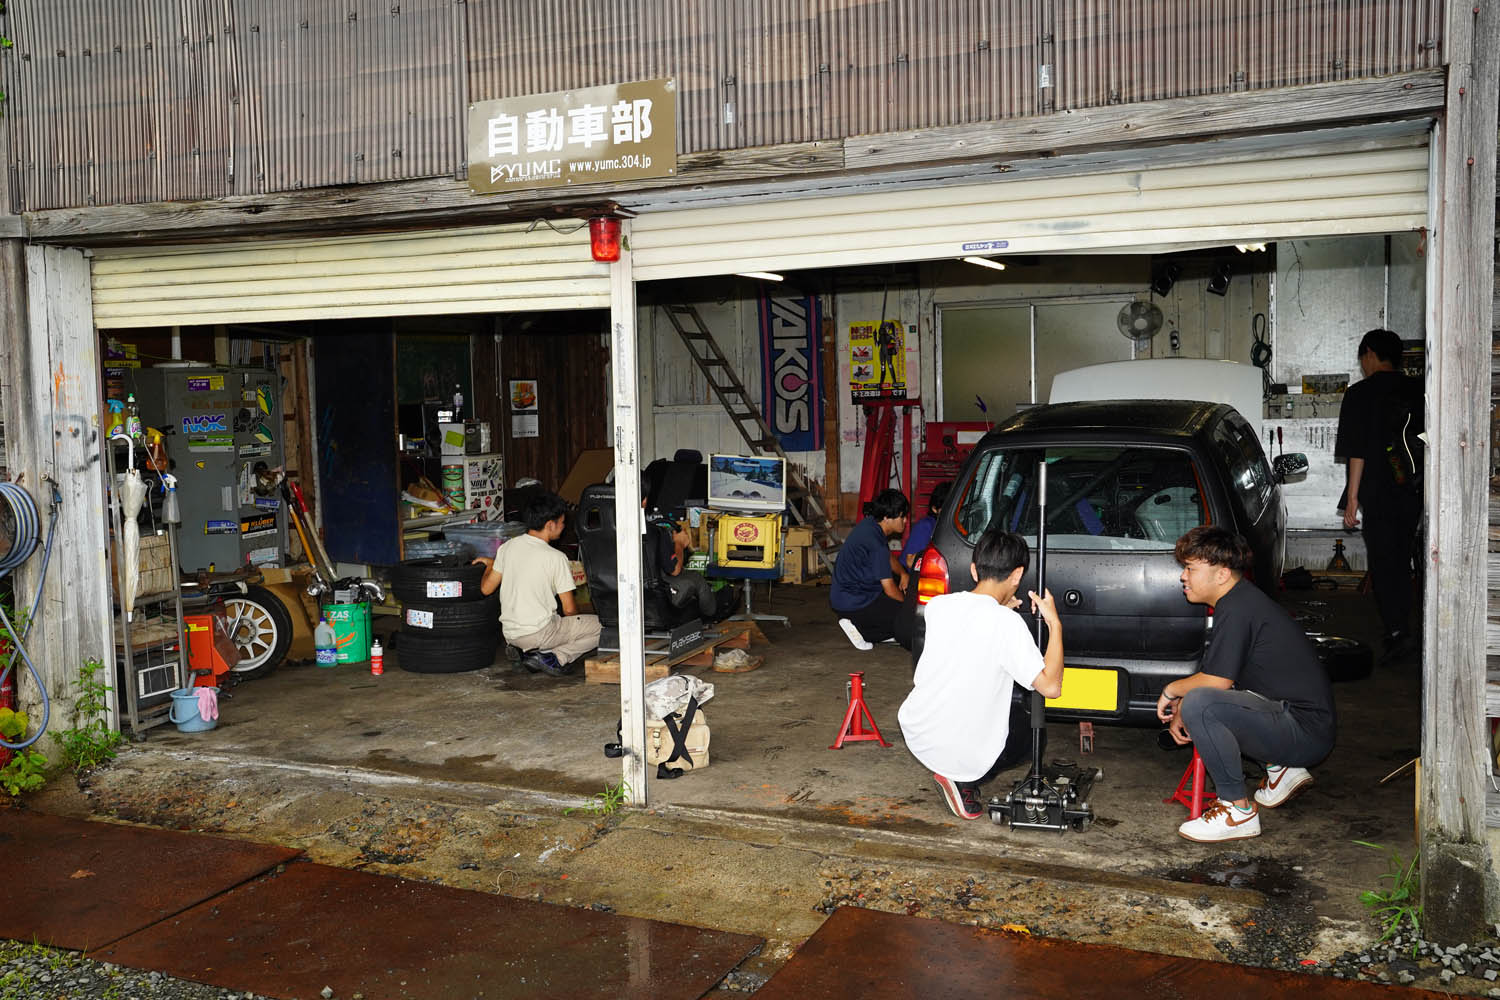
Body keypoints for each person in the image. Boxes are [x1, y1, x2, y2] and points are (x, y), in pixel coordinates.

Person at [1161, 526, 1336, 843]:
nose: (1183, 577)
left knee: (1201, 702)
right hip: (1300, 725)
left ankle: (1236, 810)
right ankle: (1280, 768)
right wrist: (1185, 705)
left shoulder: (1238, 608)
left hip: (1304, 731)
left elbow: (1215, 683)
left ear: (1222, 574)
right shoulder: (1241, 601)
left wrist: (1172, 692)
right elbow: (1222, 680)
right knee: (1201, 699)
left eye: (1190, 568)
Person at [898, 528, 1063, 819]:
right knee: (1032, 735)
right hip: (957, 750)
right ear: (1017, 575)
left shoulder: (938, 606)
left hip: (919, 730)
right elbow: (1051, 687)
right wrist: (1055, 624)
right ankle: (964, 779)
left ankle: (954, 767)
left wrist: (1001, 609)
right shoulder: (1007, 625)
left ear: (975, 570)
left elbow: (975, 624)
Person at [1334, 328, 1424, 658]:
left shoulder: (1360, 394)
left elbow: (1356, 451)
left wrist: (1353, 499)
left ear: (1370, 354)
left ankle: (1398, 632)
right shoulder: (1420, 388)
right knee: (1411, 560)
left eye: (1363, 358)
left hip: (1379, 492)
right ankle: (1417, 628)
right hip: (1417, 490)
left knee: (1386, 564)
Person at [473, 492, 601, 676]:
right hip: (540, 634)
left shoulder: (507, 547)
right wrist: (576, 626)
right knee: (603, 628)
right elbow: (570, 610)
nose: (564, 527)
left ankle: (525, 651)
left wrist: (491, 565)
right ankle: (555, 657)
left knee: (563, 626)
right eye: (562, 522)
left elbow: (486, 589)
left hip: (510, 634)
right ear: (551, 524)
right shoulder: (556, 557)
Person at [829, 488, 912, 650]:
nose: (905, 521)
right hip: (852, 602)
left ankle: (861, 622)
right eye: (902, 516)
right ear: (887, 518)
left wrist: (903, 574)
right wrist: (909, 607)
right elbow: (889, 589)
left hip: (847, 593)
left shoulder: (871, 524)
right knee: (907, 620)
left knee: (900, 583)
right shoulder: (876, 543)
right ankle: (862, 630)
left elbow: (887, 557)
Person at [902, 480, 953, 570]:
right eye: (947, 507)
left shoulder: (950, 527)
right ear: (934, 509)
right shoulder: (925, 526)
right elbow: (910, 562)